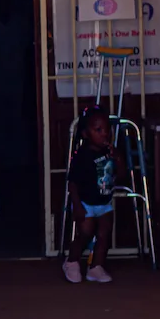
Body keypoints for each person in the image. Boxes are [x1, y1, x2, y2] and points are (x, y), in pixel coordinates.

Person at [63, 106, 116, 285]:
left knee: (104, 235)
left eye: (107, 129)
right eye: (98, 130)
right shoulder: (82, 155)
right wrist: (77, 205)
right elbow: (73, 182)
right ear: (86, 133)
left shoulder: (109, 152)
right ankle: (71, 261)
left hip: (104, 201)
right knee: (85, 234)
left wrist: (118, 159)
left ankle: (96, 267)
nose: (104, 134)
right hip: (85, 203)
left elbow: (121, 174)